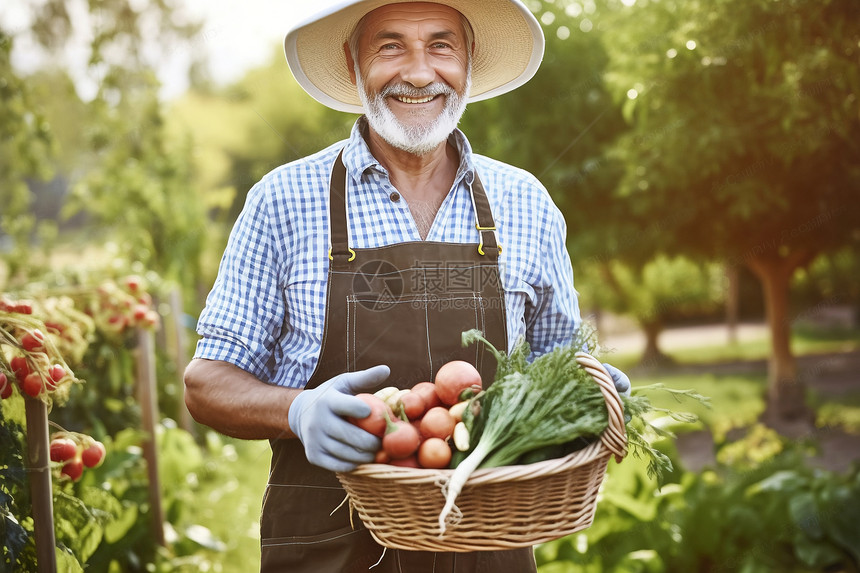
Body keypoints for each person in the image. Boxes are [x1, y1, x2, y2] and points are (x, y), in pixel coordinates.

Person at [184, 1, 631, 571]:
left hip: (487, 546)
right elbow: (205, 384)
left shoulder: (527, 203)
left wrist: (591, 388)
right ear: (353, 64)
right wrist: (297, 410)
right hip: (329, 548)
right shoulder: (282, 201)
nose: (419, 73)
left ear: (468, 64)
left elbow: (561, 364)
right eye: (390, 46)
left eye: (441, 46)